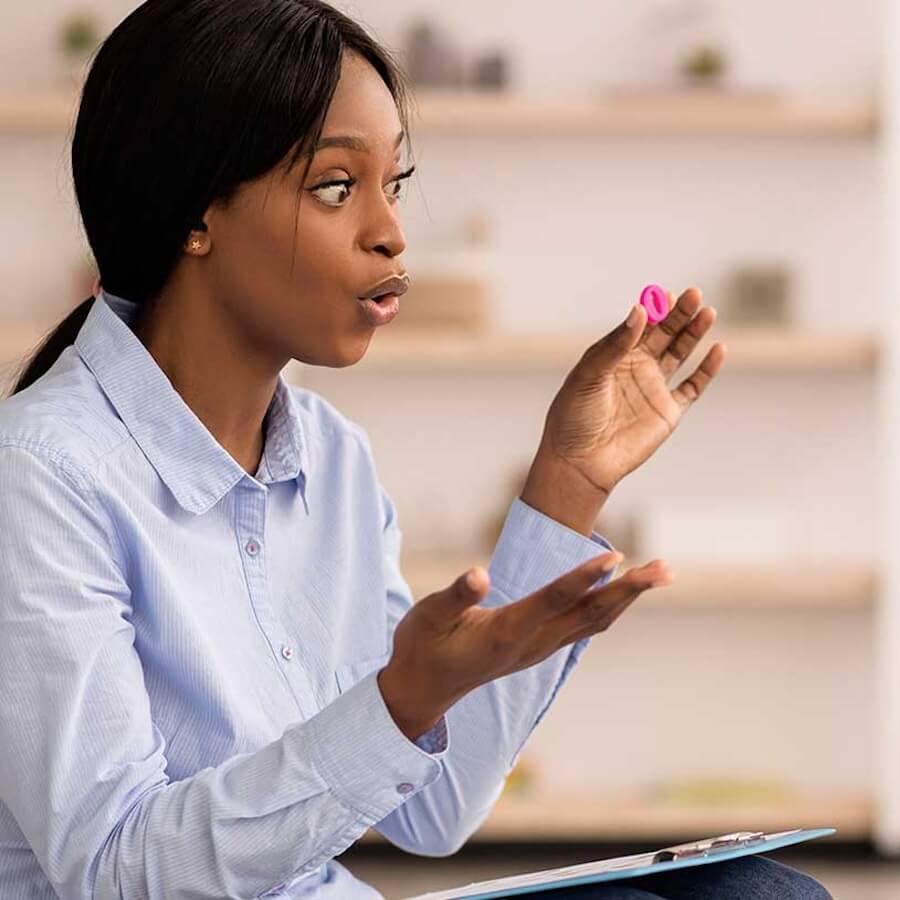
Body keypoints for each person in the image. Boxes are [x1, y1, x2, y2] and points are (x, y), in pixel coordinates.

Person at [0, 1, 827, 897]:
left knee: (758, 894)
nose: (391, 230)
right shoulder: (41, 474)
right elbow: (116, 875)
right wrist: (397, 702)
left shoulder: (332, 457)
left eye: (394, 182)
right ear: (194, 215)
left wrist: (566, 484)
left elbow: (433, 813)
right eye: (335, 187)